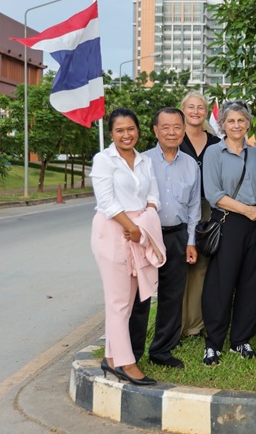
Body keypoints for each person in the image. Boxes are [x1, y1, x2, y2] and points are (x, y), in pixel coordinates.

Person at [90, 108, 166, 386]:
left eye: (131, 129)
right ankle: (126, 363)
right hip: (113, 231)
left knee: (130, 300)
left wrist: (142, 224)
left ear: (138, 130)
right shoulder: (103, 160)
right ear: (111, 133)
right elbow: (107, 202)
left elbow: (154, 196)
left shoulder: (145, 161)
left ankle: (111, 358)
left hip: (139, 232)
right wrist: (131, 227)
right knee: (119, 302)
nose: (126, 134)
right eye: (119, 130)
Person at [129, 108, 201, 368]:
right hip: (147, 237)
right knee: (140, 296)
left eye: (177, 127)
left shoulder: (191, 164)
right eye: (166, 127)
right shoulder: (142, 161)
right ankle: (132, 352)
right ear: (155, 131)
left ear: (184, 130)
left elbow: (194, 207)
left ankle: (161, 350)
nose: (172, 132)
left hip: (177, 236)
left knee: (172, 295)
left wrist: (191, 241)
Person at [201, 101, 256, 366]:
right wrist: (246, 210)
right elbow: (213, 194)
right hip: (229, 222)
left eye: (241, 120)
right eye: (231, 121)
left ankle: (241, 339)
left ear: (248, 123)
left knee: (253, 283)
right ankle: (213, 343)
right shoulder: (214, 153)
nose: (236, 125)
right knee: (221, 284)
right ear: (223, 125)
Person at [178, 91, 222, 340]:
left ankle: (193, 326)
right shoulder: (174, 137)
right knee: (177, 266)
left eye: (200, 107)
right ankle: (175, 325)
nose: (195, 111)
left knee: (200, 267)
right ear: (183, 110)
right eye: (191, 107)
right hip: (178, 209)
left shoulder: (215, 142)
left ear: (206, 112)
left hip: (208, 208)